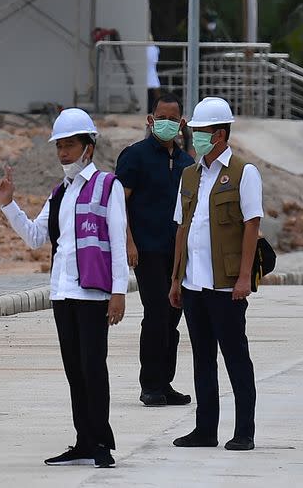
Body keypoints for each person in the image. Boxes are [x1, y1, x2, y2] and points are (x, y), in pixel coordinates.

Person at [0, 108, 128, 468]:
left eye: (70, 146)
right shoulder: (59, 193)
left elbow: (117, 243)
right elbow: (37, 238)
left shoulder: (107, 186)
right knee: (74, 370)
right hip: (63, 294)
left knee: (93, 368)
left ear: (88, 147)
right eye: (59, 147)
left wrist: (119, 294)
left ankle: (102, 443)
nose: (63, 154)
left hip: (93, 294)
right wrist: (9, 205)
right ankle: (84, 440)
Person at [169, 97, 263, 451]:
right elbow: (182, 229)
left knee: (236, 357)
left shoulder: (243, 172)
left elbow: (252, 227)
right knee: (202, 358)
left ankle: (244, 432)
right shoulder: (190, 174)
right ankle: (205, 430)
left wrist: (243, 278)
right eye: (194, 132)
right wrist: (176, 280)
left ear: (221, 134)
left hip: (226, 286)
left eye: (202, 132)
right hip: (193, 284)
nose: (195, 138)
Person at [115, 92, 194, 407]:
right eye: (160, 117)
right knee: (157, 312)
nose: (166, 123)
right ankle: (150, 384)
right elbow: (119, 204)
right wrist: (129, 242)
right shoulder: (134, 156)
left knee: (173, 315)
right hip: (146, 251)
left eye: (172, 119)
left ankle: (165, 382)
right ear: (150, 120)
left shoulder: (188, 163)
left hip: (177, 254)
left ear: (181, 123)